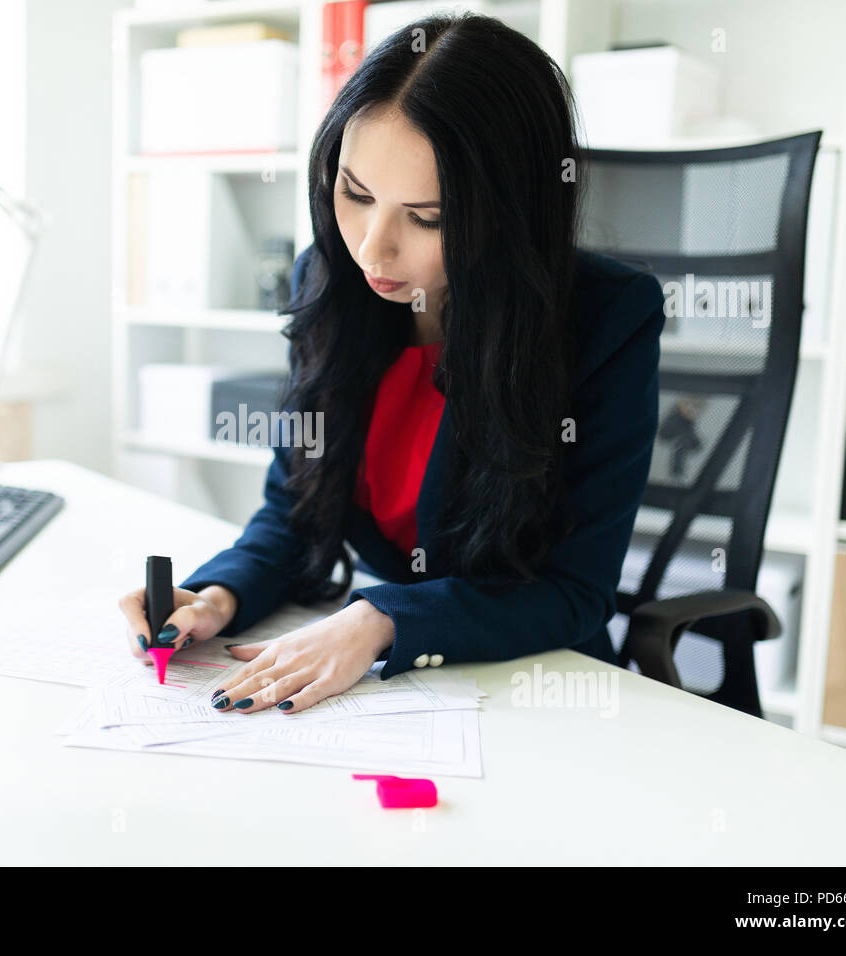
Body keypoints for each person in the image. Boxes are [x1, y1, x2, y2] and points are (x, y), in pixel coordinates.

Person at [117, 12, 665, 715]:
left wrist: (381, 619)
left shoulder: (607, 318)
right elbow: (291, 516)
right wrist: (217, 596)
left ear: (510, 212)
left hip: (533, 685)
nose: (373, 250)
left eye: (427, 218)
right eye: (356, 194)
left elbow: (573, 594)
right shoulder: (328, 281)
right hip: (386, 689)